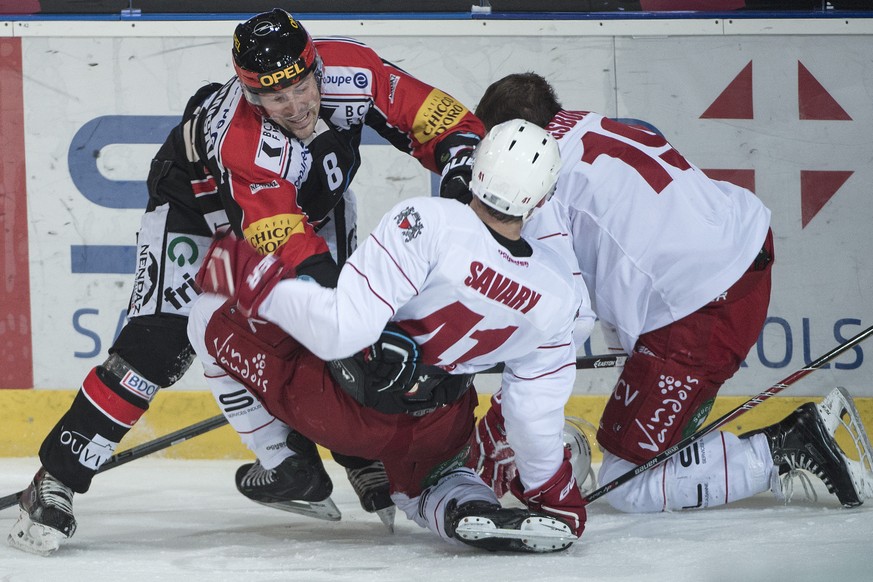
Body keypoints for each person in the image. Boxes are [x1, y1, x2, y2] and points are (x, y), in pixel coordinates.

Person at [8, 9, 484, 556]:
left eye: (303, 88)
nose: (298, 106)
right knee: (157, 344)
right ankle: (56, 480)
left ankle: (357, 460)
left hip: (313, 205)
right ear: (251, 93)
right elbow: (287, 248)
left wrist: (459, 172)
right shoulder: (242, 139)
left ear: (316, 67)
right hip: (198, 209)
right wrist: (341, 315)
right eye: (277, 99)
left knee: (350, 323)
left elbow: (442, 119)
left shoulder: (355, 69)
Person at [469, 72, 873, 514]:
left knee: (627, 482)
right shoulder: (593, 124)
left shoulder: (542, 186)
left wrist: (508, 416)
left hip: (706, 304)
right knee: (640, 442)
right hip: (740, 251)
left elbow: (558, 320)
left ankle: (785, 447)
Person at [187, 119, 595, 552]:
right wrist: (556, 496)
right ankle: (466, 506)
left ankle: (280, 457)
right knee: (427, 485)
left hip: (343, 408)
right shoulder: (559, 292)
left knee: (205, 314)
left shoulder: (430, 221)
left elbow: (340, 330)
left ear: (474, 168)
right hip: (439, 426)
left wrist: (253, 284)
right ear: (544, 198)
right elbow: (532, 416)